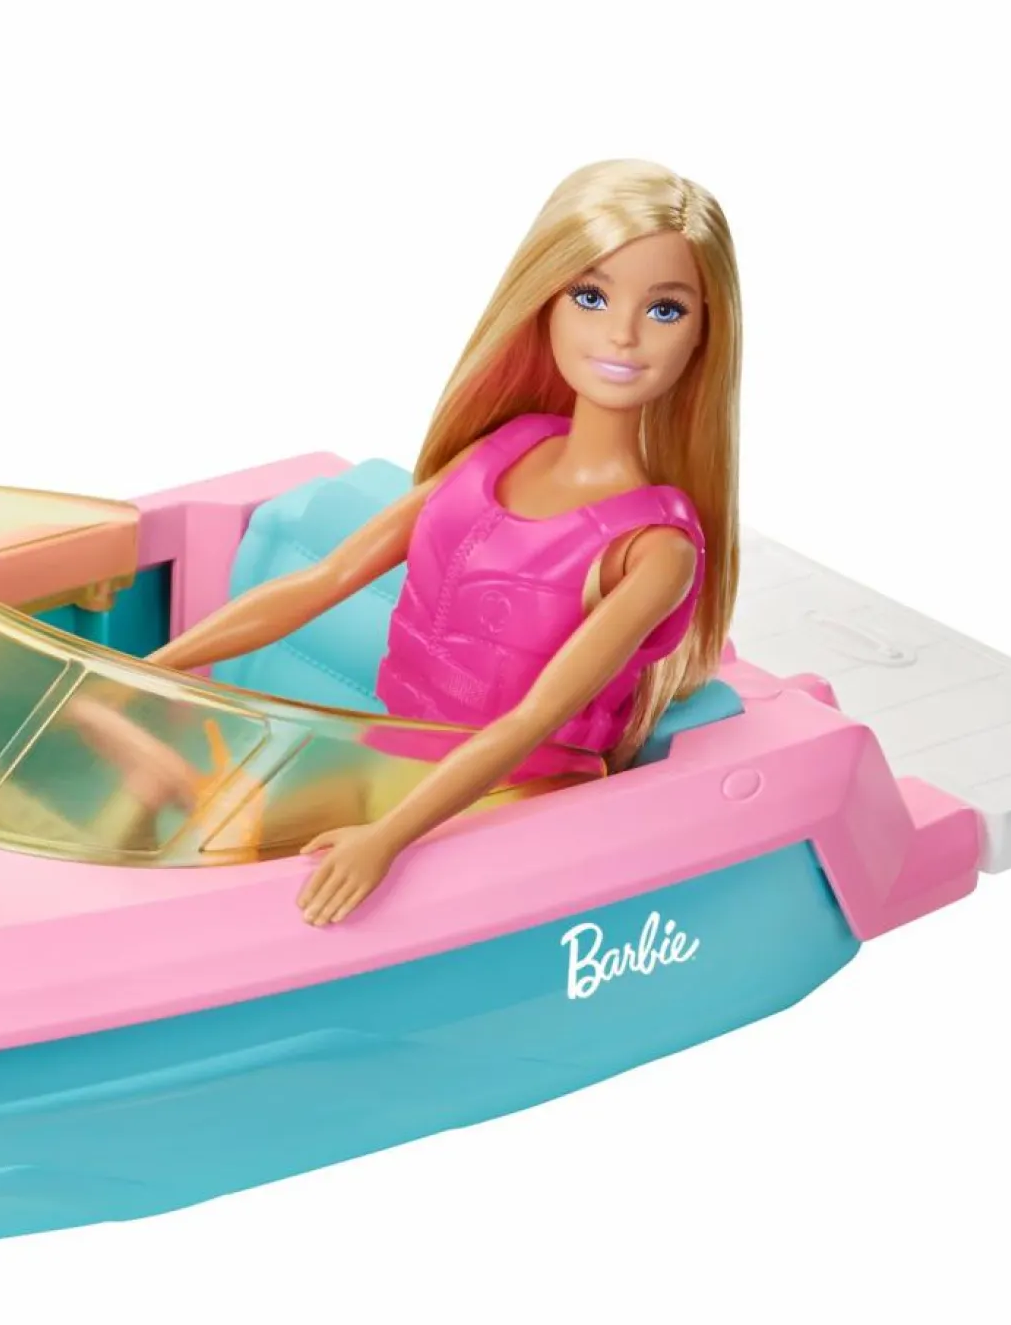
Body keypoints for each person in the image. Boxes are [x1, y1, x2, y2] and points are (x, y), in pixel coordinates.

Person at [144, 157, 741, 925]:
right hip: (397, 756)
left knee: (244, 871)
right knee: (192, 819)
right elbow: (325, 580)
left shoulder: (655, 550)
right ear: (544, 303)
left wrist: (388, 839)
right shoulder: (508, 447)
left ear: (704, 334)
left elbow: (531, 720)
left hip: (515, 799)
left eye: (664, 310)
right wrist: (150, 673)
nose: (622, 334)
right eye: (590, 297)